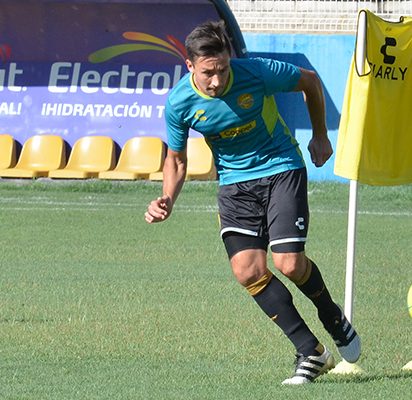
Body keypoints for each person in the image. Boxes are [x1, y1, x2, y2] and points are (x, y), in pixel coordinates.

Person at [144, 20, 359, 385]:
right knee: (247, 272)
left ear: (231, 59)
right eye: (209, 73)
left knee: (289, 264)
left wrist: (320, 135)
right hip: (234, 185)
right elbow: (176, 161)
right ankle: (311, 352)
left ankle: (332, 316)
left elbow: (308, 80)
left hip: (280, 168)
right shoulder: (179, 103)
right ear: (190, 66)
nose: (217, 80)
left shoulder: (256, 72)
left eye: (223, 69)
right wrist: (167, 198)